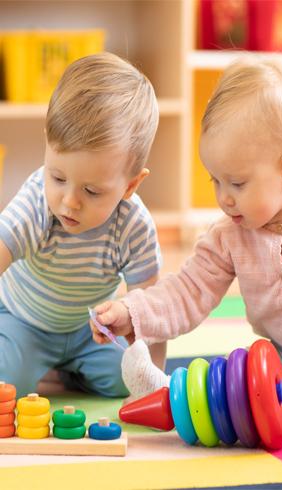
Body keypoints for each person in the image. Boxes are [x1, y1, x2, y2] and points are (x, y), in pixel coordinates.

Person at [91, 56, 282, 406]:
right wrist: (132, 313)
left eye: (236, 183)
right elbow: (187, 291)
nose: (223, 198)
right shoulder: (230, 236)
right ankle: (173, 394)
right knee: (236, 381)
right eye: (215, 180)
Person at [0, 51, 166, 398]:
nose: (69, 200)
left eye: (92, 190)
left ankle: (61, 375)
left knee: (128, 379)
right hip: (22, 320)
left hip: (88, 330)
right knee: (9, 383)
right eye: (57, 177)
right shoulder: (37, 203)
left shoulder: (133, 226)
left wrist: (152, 381)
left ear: (131, 186)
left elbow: (150, 310)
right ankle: (41, 368)